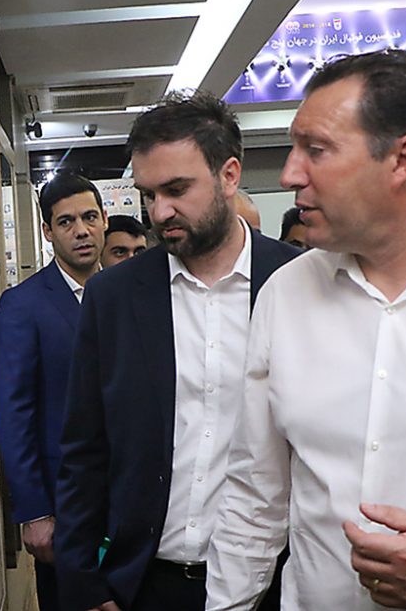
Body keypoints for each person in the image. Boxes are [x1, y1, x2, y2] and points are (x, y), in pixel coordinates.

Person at [203, 49, 406, 611]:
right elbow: (255, 495)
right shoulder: (285, 295)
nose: (289, 174)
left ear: (403, 159)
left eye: (316, 150)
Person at [55, 92, 299, 611]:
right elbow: (84, 448)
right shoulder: (114, 297)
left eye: (177, 189)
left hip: (272, 582)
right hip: (146, 583)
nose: (159, 211)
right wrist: (84, 582)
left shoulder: (298, 284)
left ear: (229, 176)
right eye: (148, 194)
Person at [0, 172, 108, 610]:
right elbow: (14, 412)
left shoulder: (125, 293)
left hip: (133, 498)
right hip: (65, 504)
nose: (81, 230)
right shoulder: (24, 304)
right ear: (47, 232)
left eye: (90, 217)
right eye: (66, 222)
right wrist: (34, 511)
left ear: (104, 220)